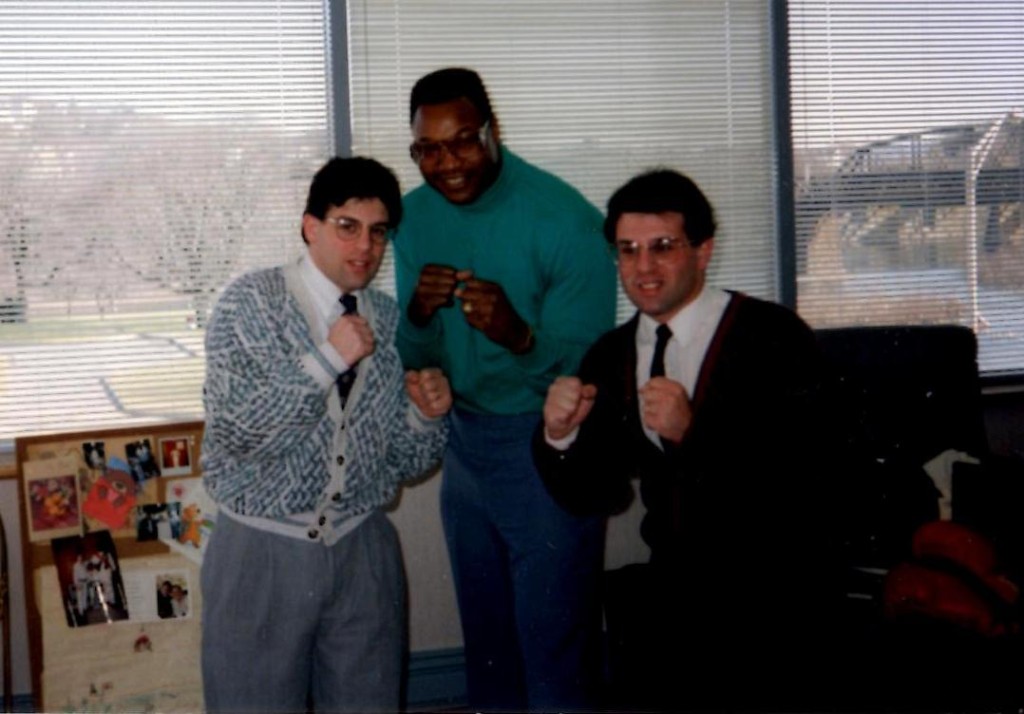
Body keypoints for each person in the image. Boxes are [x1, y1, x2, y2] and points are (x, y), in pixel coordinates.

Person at [533, 169, 843, 712]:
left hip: (774, 599)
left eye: (663, 248)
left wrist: (695, 433)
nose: (643, 268)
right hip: (673, 600)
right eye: (628, 251)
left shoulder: (773, 335)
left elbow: (818, 478)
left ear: (703, 252)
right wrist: (561, 438)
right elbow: (596, 493)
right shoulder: (612, 354)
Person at [394, 67, 618, 712]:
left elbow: (587, 375)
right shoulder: (412, 218)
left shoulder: (567, 221)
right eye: (427, 149)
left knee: (553, 654)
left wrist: (519, 336)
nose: (447, 164)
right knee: (487, 648)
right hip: (465, 445)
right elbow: (420, 361)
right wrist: (415, 317)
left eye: (463, 141)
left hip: (547, 447)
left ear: (493, 132)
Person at [200, 156, 453, 714]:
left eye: (378, 231)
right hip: (260, 553)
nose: (365, 245)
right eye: (347, 226)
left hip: (363, 549)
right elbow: (240, 431)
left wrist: (426, 418)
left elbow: (404, 462)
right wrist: (326, 359)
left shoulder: (388, 321)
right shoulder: (251, 303)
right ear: (310, 226)